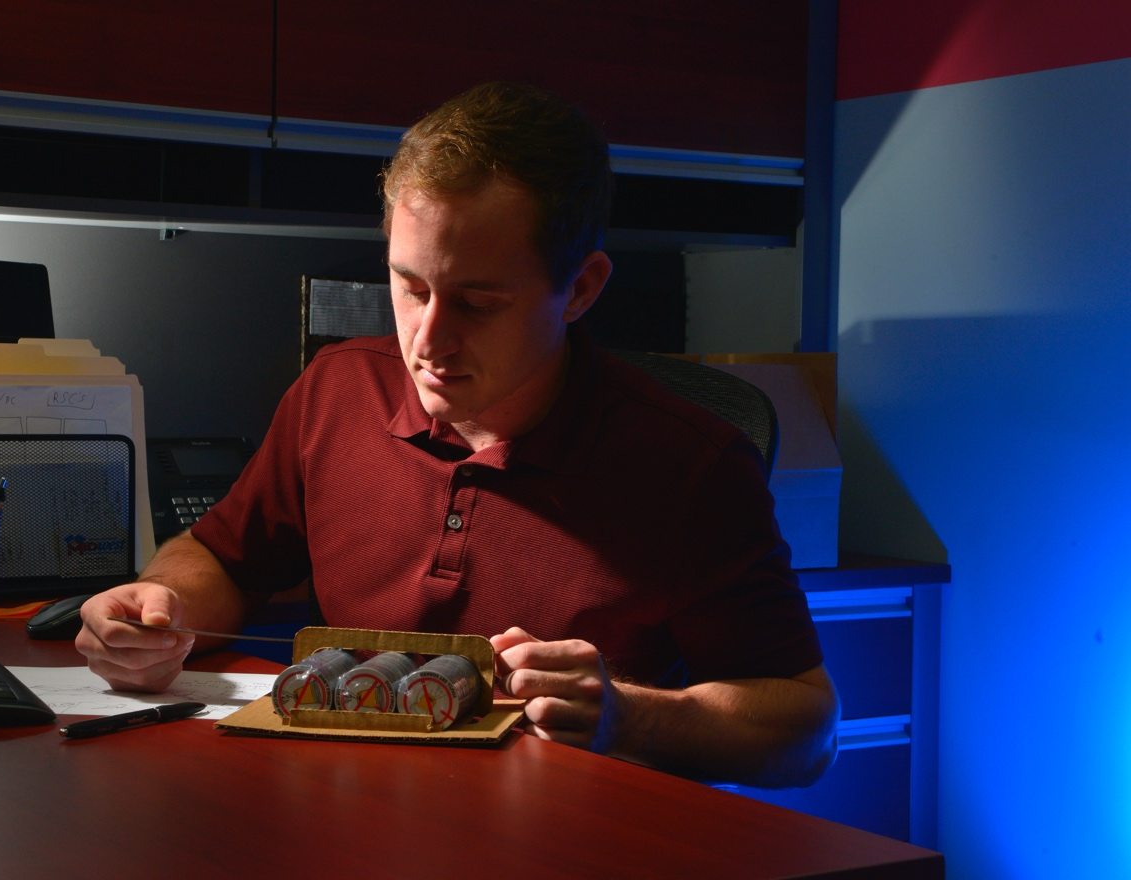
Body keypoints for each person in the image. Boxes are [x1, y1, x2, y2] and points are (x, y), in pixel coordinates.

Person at [76, 81, 839, 788]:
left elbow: (806, 731)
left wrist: (630, 714)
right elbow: (222, 557)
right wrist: (160, 609)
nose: (427, 342)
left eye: (476, 303)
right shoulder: (337, 388)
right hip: (342, 822)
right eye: (410, 288)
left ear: (580, 289)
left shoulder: (691, 465)